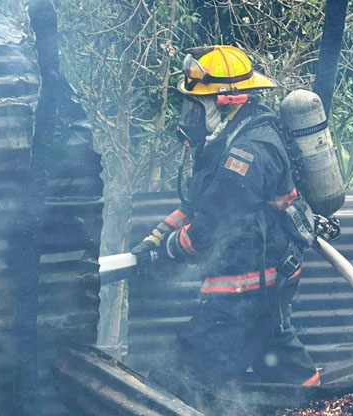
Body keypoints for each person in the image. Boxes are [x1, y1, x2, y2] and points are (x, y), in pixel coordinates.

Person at [130, 45, 320, 403]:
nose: (190, 115)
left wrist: (166, 252)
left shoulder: (247, 154)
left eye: (196, 105)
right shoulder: (227, 139)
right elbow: (197, 204)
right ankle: (319, 406)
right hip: (259, 279)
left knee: (182, 372)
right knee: (277, 356)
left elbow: (209, 229)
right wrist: (154, 238)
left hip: (246, 285)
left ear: (225, 101)